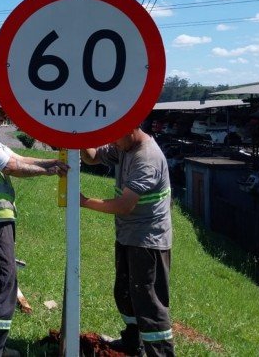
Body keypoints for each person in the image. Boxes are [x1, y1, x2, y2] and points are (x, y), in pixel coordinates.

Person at [0, 88, 68, 357]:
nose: (4, 118)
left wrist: (51, 162)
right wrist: (49, 171)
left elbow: (18, 157)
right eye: (1, 112)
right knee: (3, 285)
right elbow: (9, 166)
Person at [79, 127, 174, 357]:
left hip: (148, 241)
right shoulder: (123, 146)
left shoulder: (147, 158)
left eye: (115, 137)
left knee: (149, 304)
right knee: (125, 293)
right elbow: (92, 158)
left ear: (131, 130)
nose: (112, 143)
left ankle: (160, 353)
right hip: (128, 236)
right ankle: (133, 343)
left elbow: (124, 205)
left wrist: (83, 201)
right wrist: (78, 138)